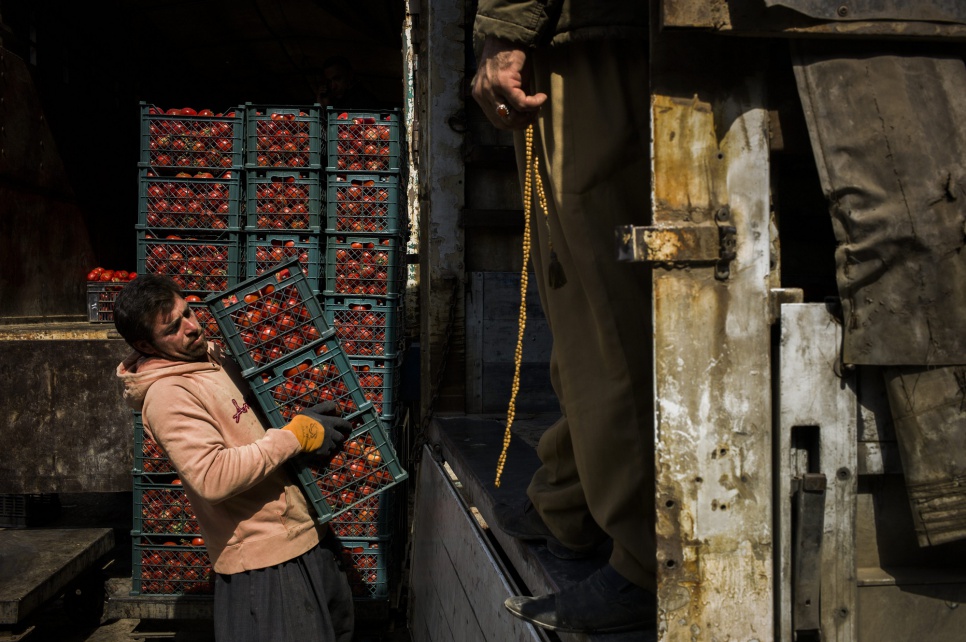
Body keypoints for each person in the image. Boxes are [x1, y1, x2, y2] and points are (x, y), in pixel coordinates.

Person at [470, 0, 656, 635]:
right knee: (580, 305)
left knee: (605, 314)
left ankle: (647, 556)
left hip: (593, 40)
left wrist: (503, 32)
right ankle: (567, 504)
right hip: (587, 36)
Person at [113, 275, 355, 642]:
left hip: (303, 535)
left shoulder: (211, 358)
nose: (192, 328)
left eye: (189, 313)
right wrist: (293, 437)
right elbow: (213, 477)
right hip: (265, 563)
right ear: (147, 344)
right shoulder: (168, 396)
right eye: (174, 328)